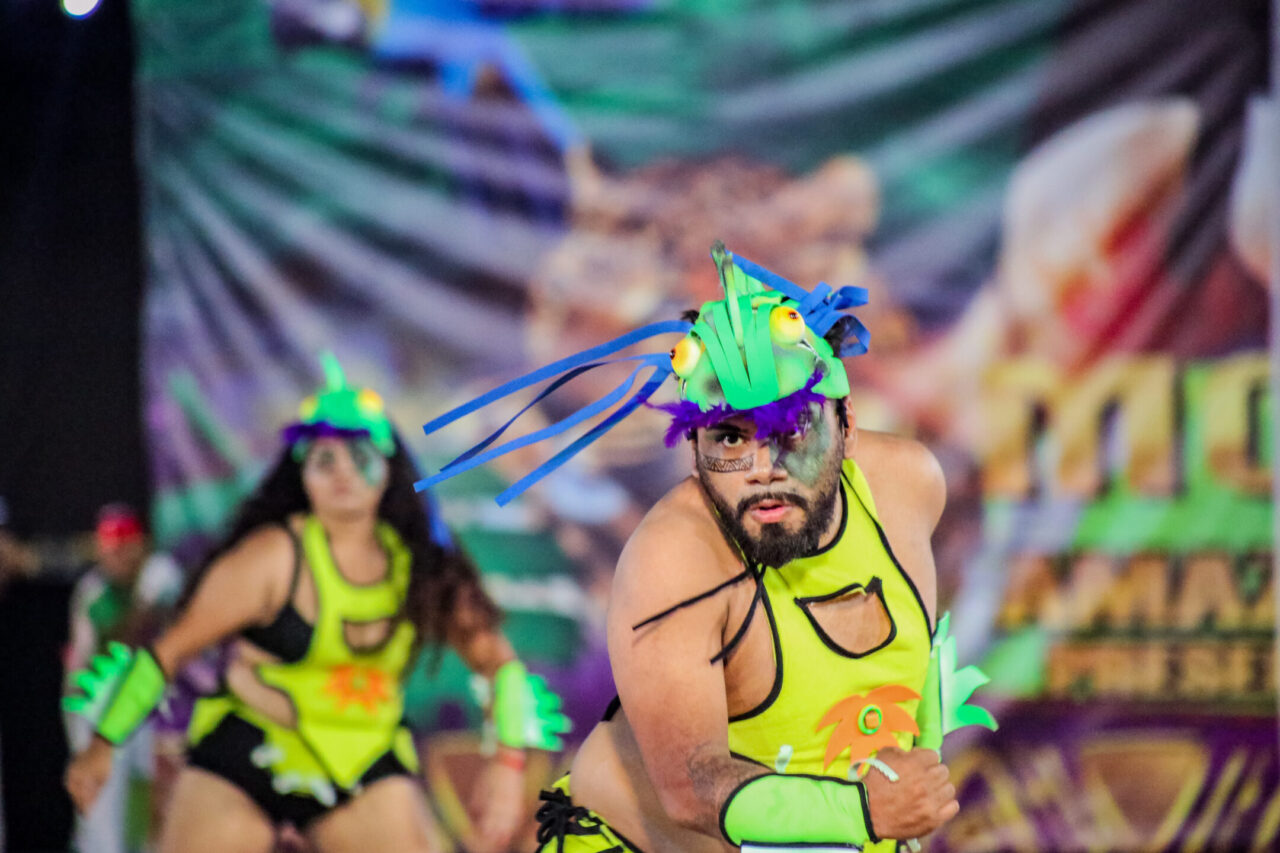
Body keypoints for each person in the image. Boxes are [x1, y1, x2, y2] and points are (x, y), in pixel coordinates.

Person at [418, 243, 995, 851]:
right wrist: (862, 813)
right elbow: (692, 788)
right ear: (694, 450)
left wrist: (897, 798)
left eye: (792, 429)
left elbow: (900, 685)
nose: (763, 468)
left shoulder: (907, 486)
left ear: (847, 425)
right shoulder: (673, 559)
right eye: (730, 438)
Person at [64, 356, 569, 853]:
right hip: (248, 757)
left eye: (359, 458)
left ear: (387, 468)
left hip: (363, 760)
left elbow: (499, 664)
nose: (342, 473)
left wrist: (508, 766)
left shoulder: (421, 566)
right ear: (302, 473)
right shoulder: (269, 559)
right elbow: (167, 653)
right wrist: (102, 745)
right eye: (325, 460)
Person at [64, 504, 184, 853]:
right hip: (99, 707)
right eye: (110, 548)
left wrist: (152, 599)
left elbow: (166, 637)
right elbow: (113, 644)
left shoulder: (162, 576)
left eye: (125, 546)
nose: (117, 556)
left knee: (156, 802)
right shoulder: (93, 590)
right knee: (101, 813)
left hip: (155, 706)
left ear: (141, 545)